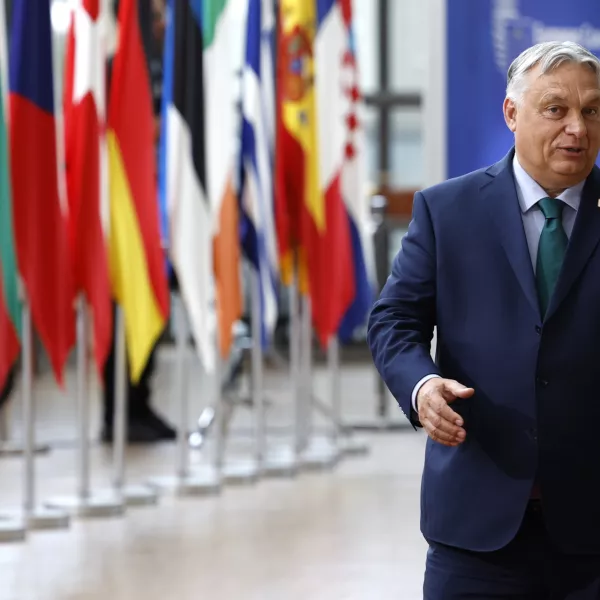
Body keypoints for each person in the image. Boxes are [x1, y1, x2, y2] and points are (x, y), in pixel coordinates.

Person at [367, 41, 600, 598]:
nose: (577, 128)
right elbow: (394, 320)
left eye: (591, 111)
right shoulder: (447, 210)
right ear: (511, 113)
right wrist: (422, 387)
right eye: (556, 109)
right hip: (476, 532)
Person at [102, 0, 175, 443]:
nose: (162, 21)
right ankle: (118, 410)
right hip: (122, 214)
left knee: (154, 308)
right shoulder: (114, 67)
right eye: (154, 13)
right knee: (120, 315)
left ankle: (140, 400)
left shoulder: (167, 69)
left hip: (155, 211)